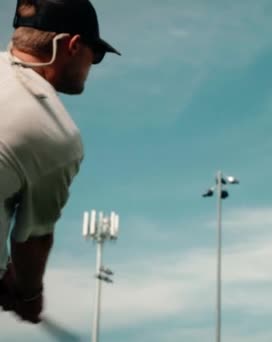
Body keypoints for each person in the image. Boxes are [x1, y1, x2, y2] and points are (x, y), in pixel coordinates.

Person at [0, 0, 120, 324]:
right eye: (94, 54)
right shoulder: (56, 134)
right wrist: (29, 294)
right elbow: (32, 240)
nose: (92, 64)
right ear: (71, 45)